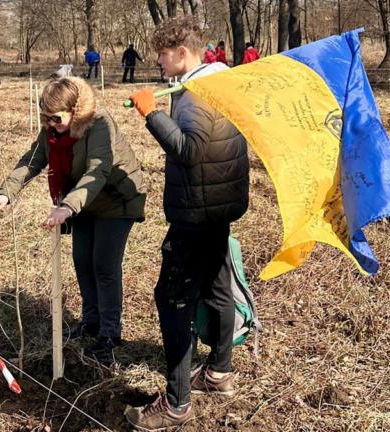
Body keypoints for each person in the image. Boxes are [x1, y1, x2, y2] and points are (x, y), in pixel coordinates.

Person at [126, 15, 250, 429]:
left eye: (163, 55)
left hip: (196, 213)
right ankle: (218, 372)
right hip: (218, 206)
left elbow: (190, 150)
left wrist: (151, 114)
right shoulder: (219, 82)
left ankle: (177, 404)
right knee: (216, 287)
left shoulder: (197, 94)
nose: (159, 63)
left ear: (182, 53)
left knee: (172, 300)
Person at [0, 77, 147, 355]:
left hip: (116, 198)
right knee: (82, 259)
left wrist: (68, 206)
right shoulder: (51, 131)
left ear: (75, 111)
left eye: (56, 118)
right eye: (45, 117)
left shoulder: (99, 123)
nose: (50, 123)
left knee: (104, 265)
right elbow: (33, 159)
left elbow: (98, 170)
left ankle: (110, 334)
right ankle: (91, 322)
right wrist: (6, 192)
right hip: (83, 201)